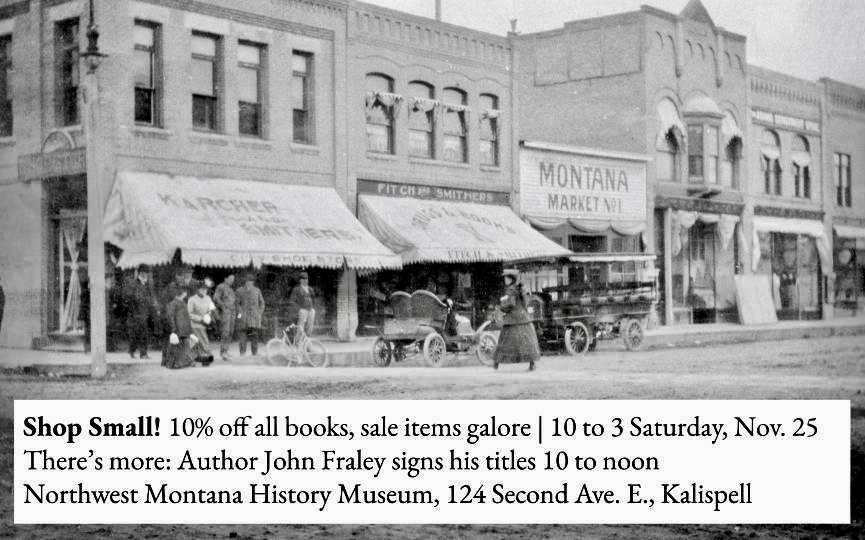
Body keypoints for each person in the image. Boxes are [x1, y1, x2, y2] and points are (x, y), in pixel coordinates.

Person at [493, 269, 540, 371]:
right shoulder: (519, 288)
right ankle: (532, 363)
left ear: (511, 279)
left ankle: (496, 362)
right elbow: (525, 303)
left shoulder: (510, 289)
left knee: (504, 340)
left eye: (506, 278)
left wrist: (501, 307)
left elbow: (511, 304)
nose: (505, 280)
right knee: (526, 341)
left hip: (513, 320)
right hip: (523, 318)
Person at [123, 264, 158, 359]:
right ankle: (137, 352)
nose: (145, 274)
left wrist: (153, 305)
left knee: (143, 333)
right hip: (136, 313)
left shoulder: (148, 284)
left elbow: (152, 297)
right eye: (144, 272)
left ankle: (139, 352)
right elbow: (131, 297)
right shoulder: (134, 284)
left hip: (146, 312)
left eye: (147, 273)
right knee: (138, 333)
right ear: (140, 273)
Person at [161, 285, 195, 369]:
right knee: (175, 347)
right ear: (183, 293)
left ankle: (181, 362)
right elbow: (170, 317)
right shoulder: (174, 304)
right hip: (178, 330)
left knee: (183, 347)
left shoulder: (181, 303)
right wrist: (173, 330)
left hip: (182, 330)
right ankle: (173, 363)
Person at [236, 273, 265, 356]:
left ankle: (255, 352)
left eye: (251, 281)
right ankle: (242, 352)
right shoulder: (239, 291)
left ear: (253, 282)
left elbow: (262, 303)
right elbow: (237, 304)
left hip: (254, 317)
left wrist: (259, 313)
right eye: (247, 281)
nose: (249, 283)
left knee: (254, 335)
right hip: (244, 317)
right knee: (243, 335)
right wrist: (240, 312)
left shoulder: (257, 291)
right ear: (245, 282)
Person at [213, 274, 237, 360]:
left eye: (233, 279)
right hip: (225, 313)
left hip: (232, 312)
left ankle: (226, 350)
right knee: (225, 332)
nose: (232, 281)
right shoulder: (221, 287)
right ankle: (223, 352)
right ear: (225, 278)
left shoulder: (231, 289)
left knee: (230, 331)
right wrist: (223, 307)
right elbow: (216, 298)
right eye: (230, 279)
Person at [187, 280, 216, 352]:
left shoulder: (208, 298)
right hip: (195, 324)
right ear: (198, 289)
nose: (204, 291)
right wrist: (201, 319)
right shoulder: (192, 299)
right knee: (201, 342)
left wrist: (208, 316)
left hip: (205, 324)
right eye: (202, 289)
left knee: (203, 342)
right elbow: (190, 314)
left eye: (205, 289)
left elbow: (211, 309)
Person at [288, 271, 316, 336]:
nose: (305, 281)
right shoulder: (296, 290)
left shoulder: (310, 289)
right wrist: (299, 309)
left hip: (310, 310)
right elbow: (292, 301)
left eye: (306, 279)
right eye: (303, 279)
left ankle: (307, 340)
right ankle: (299, 341)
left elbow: (313, 299)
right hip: (302, 311)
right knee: (300, 328)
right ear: (300, 280)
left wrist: (313, 308)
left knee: (310, 327)